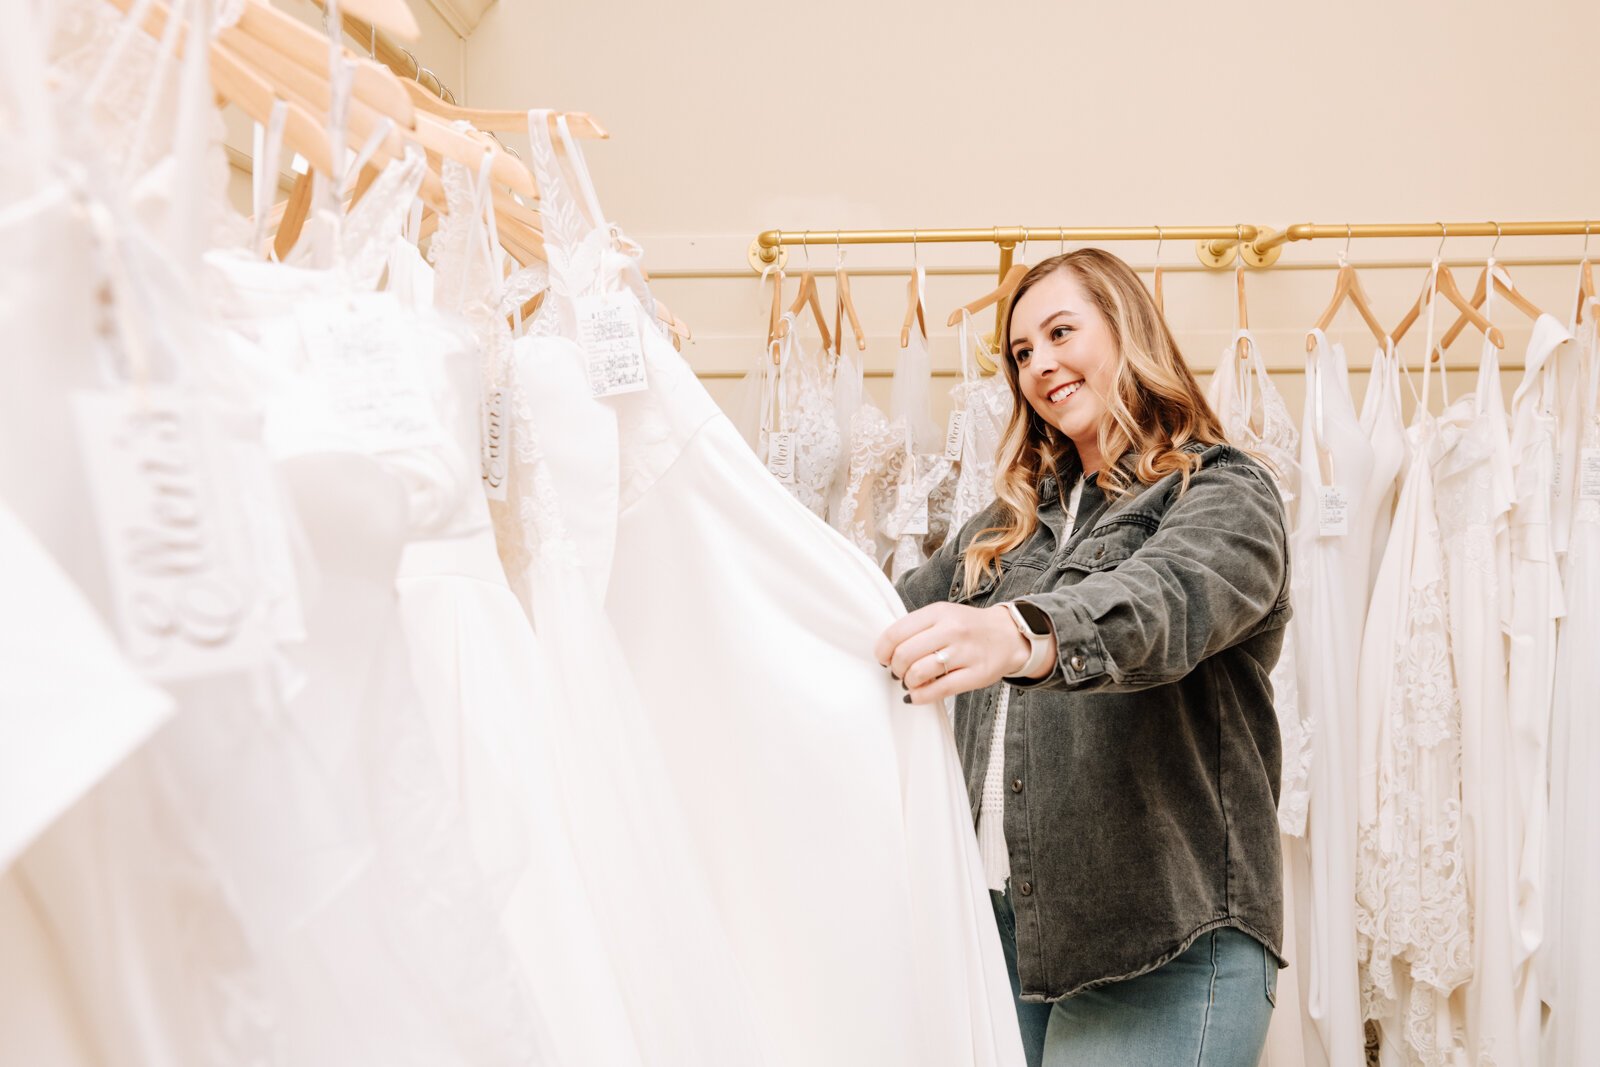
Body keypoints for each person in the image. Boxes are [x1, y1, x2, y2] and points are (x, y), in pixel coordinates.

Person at [877, 249, 1289, 1067]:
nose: (1040, 365)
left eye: (1061, 332)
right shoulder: (1009, 524)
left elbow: (1165, 599)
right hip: (1005, 935)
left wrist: (1018, 633)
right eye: (1022, 352)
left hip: (1167, 943)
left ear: (1127, 329)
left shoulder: (1223, 492)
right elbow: (881, 615)